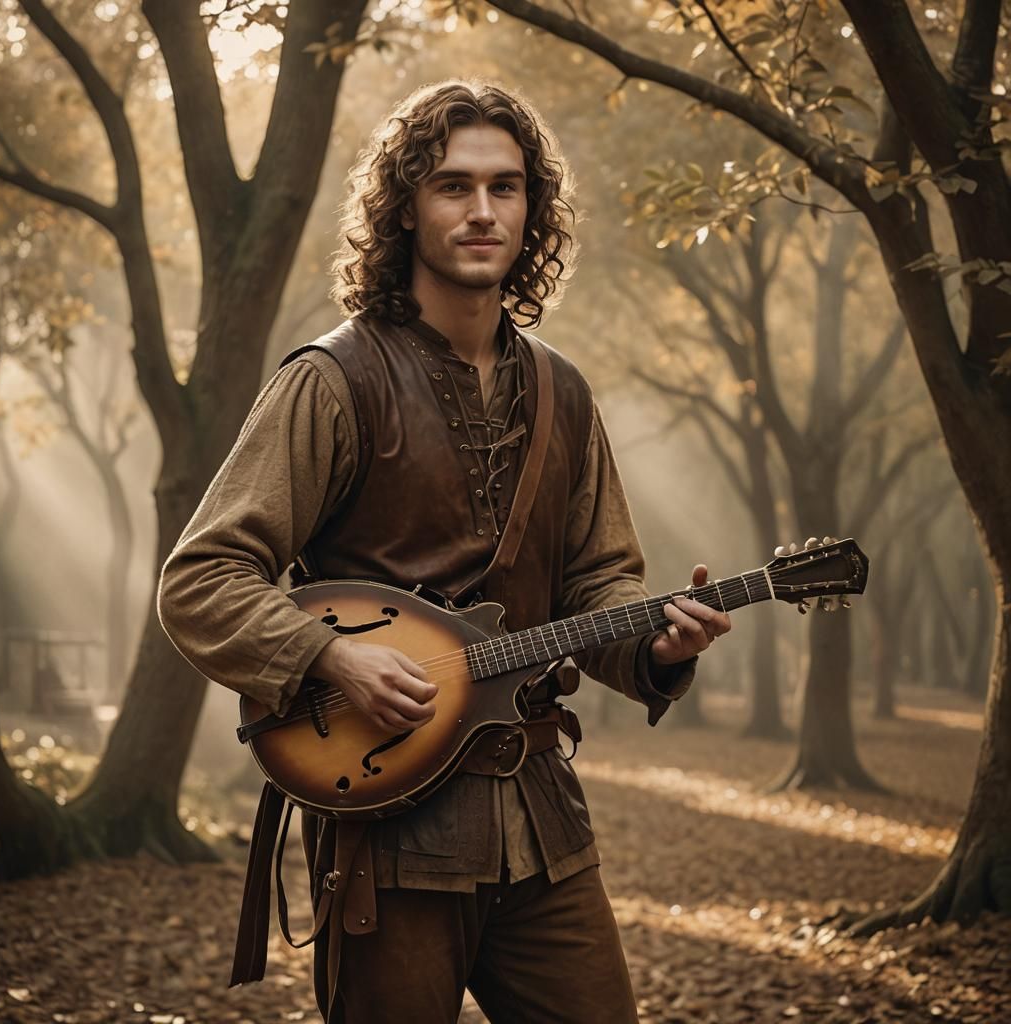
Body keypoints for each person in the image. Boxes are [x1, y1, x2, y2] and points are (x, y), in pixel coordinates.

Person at [157, 79, 731, 1024]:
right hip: (389, 834)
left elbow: (598, 585)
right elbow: (202, 578)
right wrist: (328, 652)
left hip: (543, 822)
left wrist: (656, 649)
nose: (481, 211)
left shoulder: (564, 393)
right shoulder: (333, 382)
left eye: (506, 188)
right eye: (453, 186)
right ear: (405, 209)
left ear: (531, 210)